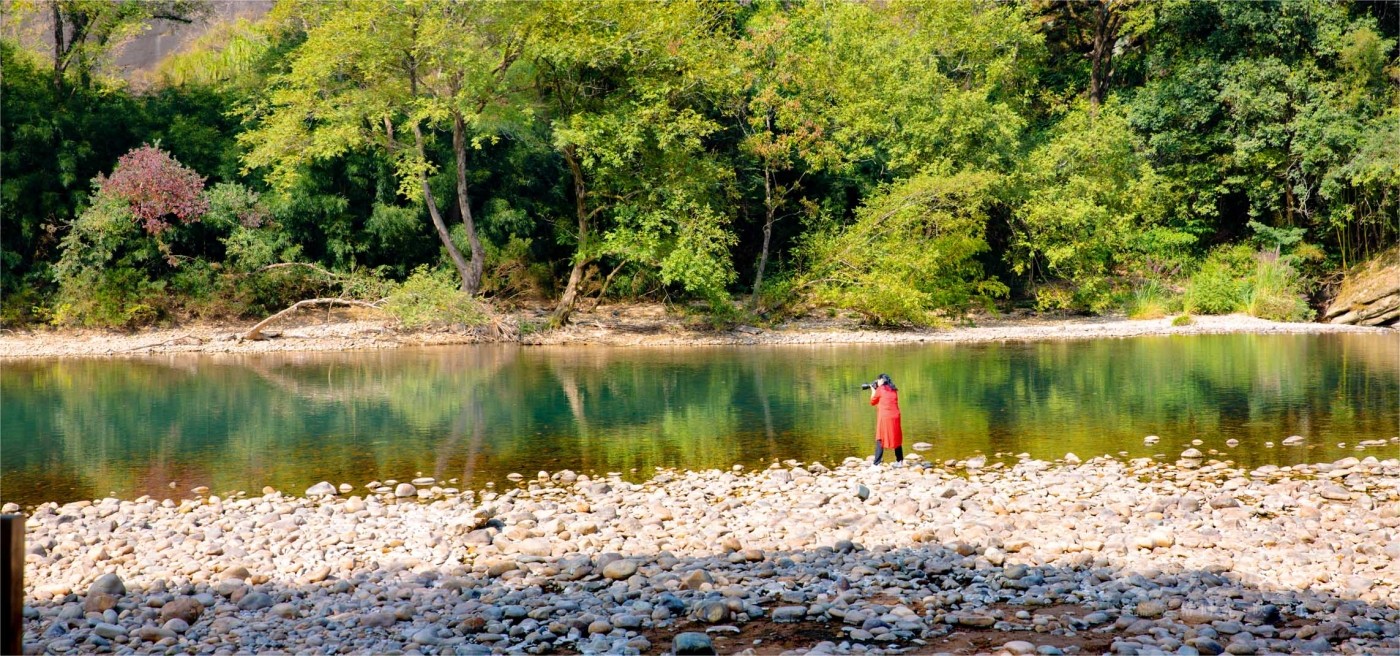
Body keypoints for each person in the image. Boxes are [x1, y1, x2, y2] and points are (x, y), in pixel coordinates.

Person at [868, 373, 903, 466]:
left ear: (882, 380)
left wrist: (873, 390)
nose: (877, 382)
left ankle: (876, 464)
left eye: (878, 380)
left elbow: (872, 402)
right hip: (896, 416)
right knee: (896, 437)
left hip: (885, 417)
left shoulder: (880, 389)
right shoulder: (893, 389)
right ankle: (899, 461)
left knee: (880, 437)